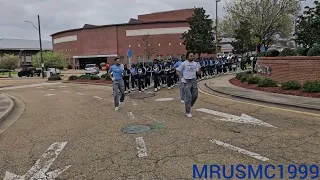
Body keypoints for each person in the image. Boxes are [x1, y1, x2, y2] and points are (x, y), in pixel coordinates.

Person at [176, 52, 201, 118]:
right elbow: (177, 71)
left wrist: (199, 69)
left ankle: (190, 105)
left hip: (193, 80)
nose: (192, 57)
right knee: (188, 96)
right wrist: (181, 78)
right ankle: (188, 111)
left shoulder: (196, 64)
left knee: (195, 95)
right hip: (186, 81)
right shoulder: (184, 63)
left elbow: (198, 73)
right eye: (191, 56)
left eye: (193, 56)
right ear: (187, 57)